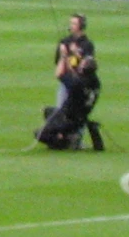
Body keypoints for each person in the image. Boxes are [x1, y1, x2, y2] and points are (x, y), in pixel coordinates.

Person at [44, 13, 106, 151]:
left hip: (79, 82)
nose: (70, 26)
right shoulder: (64, 41)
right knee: (62, 110)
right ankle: (62, 137)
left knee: (79, 111)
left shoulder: (87, 44)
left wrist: (74, 54)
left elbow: (88, 63)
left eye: (73, 23)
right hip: (67, 80)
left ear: (80, 26)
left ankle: (76, 139)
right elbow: (57, 61)